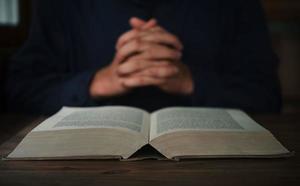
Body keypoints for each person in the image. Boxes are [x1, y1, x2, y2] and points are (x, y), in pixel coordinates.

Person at [5, 0, 281, 115]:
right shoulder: (60, 5)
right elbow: (17, 93)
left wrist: (190, 82)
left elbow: (268, 97)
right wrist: (97, 83)